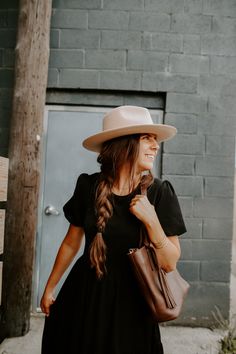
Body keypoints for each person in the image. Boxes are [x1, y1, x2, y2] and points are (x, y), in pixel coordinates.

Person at [40, 105, 187, 354]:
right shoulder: (88, 186)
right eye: (146, 138)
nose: (156, 145)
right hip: (85, 296)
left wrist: (151, 221)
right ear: (124, 144)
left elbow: (170, 262)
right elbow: (71, 242)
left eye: (156, 139)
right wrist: (50, 287)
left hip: (134, 304)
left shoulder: (160, 193)